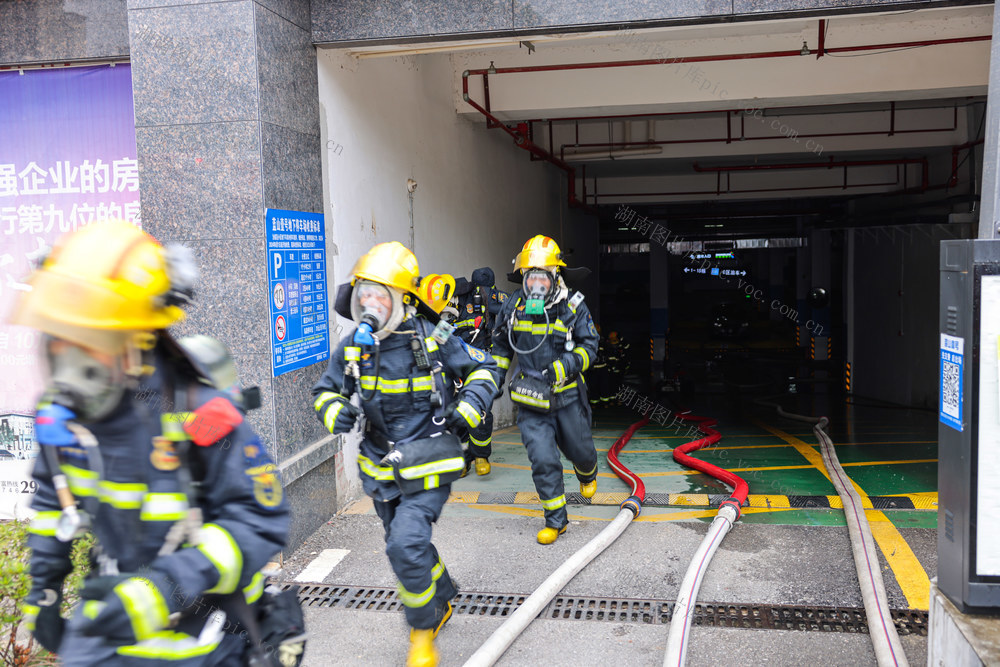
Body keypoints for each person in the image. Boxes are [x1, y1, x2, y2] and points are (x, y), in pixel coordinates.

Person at [13, 221, 294, 666]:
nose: (69, 355)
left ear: (136, 340)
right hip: (109, 620)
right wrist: (43, 591)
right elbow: (54, 504)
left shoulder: (198, 412)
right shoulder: (67, 417)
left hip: (208, 629)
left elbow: (260, 518)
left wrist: (165, 588)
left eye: (89, 337)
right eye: (60, 336)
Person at [312, 242, 499, 667]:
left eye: (381, 295)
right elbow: (325, 390)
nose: (371, 304)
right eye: (365, 294)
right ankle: (444, 594)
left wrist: (469, 405)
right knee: (402, 541)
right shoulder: (355, 347)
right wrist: (335, 409)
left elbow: (486, 368)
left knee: (404, 543)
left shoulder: (435, 339)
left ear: (403, 300)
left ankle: (421, 633)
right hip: (383, 467)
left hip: (431, 460)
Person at [491, 235, 600, 545]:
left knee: (580, 451)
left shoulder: (573, 305)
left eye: (542, 277)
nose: (535, 284)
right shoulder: (513, 307)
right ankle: (556, 521)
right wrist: (491, 380)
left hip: (566, 397)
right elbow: (500, 346)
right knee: (543, 459)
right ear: (523, 280)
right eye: (530, 277)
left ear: (555, 278)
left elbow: (590, 345)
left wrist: (566, 365)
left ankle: (587, 471)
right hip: (532, 400)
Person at [451, 268, 508, 476]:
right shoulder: (457, 298)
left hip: (480, 364)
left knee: (479, 411)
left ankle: (480, 456)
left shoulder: (495, 299)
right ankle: (467, 459)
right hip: (459, 362)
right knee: (463, 411)